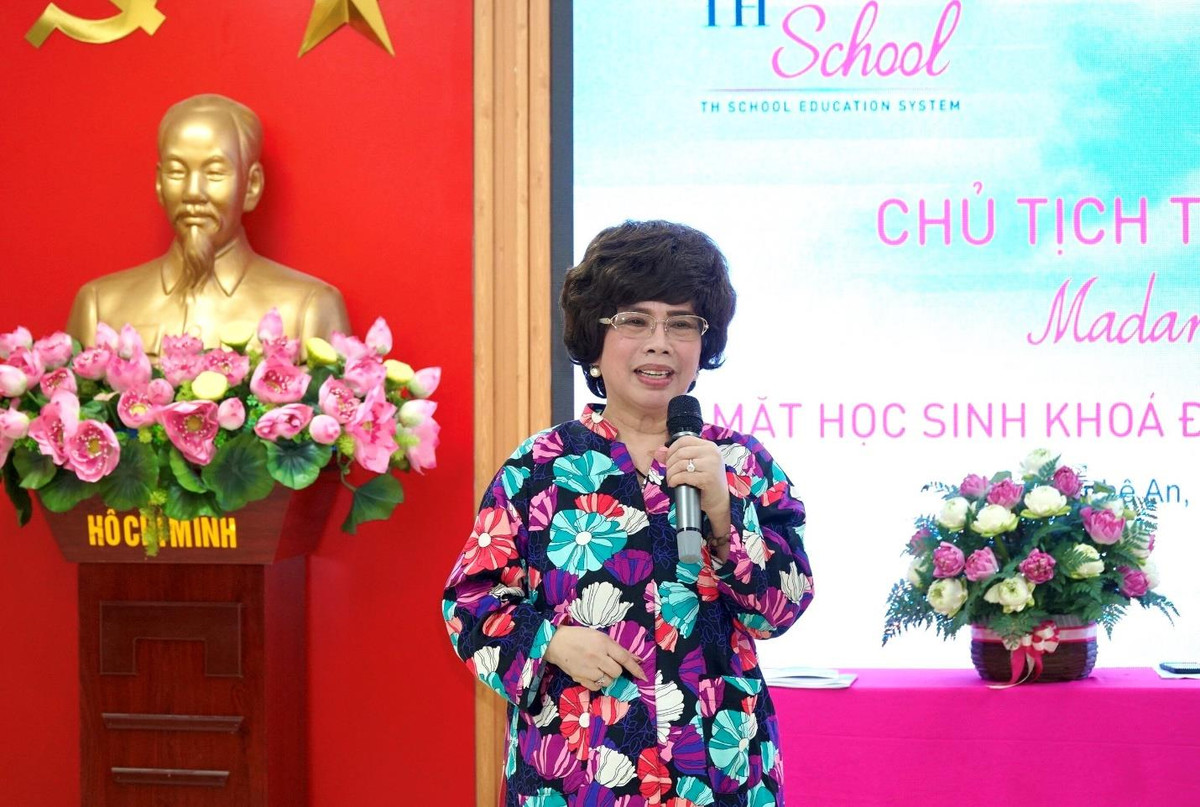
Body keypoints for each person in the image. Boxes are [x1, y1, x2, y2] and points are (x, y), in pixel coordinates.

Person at [443, 220, 814, 804]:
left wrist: (725, 513)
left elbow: (781, 610)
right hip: (576, 772)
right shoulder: (538, 467)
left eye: (682, 323)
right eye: (634, 321)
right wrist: (549, 643)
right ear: (594, 339)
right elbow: (470, 603)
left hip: (719, 770)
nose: (659, 342)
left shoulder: (742, 463)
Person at [66, 94, 348, 353]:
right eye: (177, 171)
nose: (192, 192)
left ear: (251, 185)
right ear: (159, 183)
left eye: (214, 173)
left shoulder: (309, 308)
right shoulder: (99, 306)